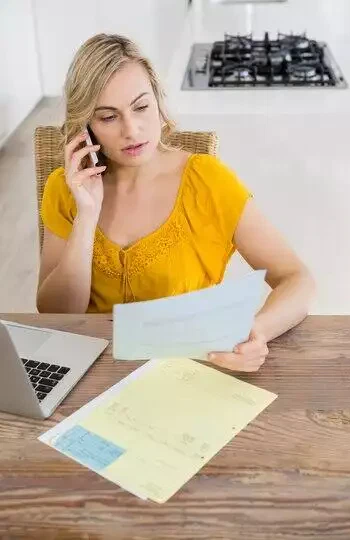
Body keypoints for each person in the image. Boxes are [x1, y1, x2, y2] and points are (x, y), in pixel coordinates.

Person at [37, 33, 316, 373]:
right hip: (87, 375)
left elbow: (296, 278)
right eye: (108, 117)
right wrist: (86, 216)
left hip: (185, 374)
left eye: (141, 107)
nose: (132, 129)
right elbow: (56, 313)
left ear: (158, 102)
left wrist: (256, 333)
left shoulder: (208, 182)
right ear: (87, 126)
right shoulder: (65, 188)